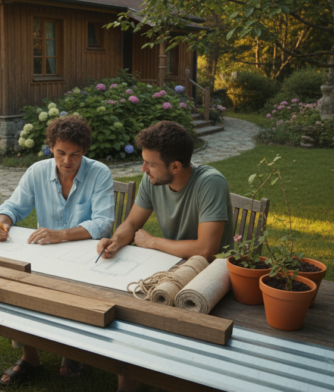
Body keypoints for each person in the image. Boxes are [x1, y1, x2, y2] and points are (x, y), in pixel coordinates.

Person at [96, 120, 234, 392]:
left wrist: (153, 241)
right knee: (128, 306)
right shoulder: (153, 181)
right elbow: (132, 224)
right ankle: (130, 381)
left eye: (150, 163)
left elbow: (207, 249)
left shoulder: (211, 183)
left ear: (175, 166)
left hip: (209, 276)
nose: (143, 168)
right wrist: (116, 241)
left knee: (143, 311)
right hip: (171, 267)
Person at [0, 115, 115, 386]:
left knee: (76, 296)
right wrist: (1, 223)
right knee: (19, 287)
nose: (67, 161)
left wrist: (61, 235)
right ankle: (30, 355)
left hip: (87, 259)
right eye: (61, 153)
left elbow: (104, 223)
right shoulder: (37, 171)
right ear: (51, 147)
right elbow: (12, 207)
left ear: (84, 151)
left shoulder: (99, 173)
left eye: (75, 154)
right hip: (45, 256)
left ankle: (71, 352)